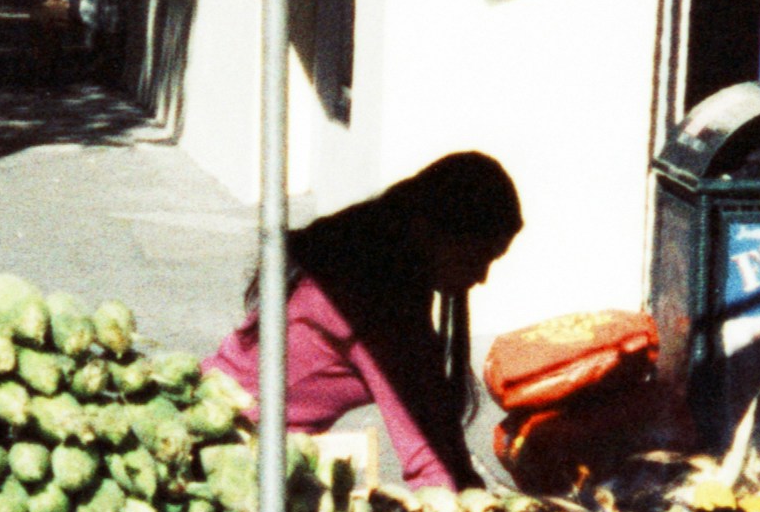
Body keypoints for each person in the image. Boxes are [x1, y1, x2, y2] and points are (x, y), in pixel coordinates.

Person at [204, 152, 523, 491]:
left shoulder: (377, 266)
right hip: (225, 454)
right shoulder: (375, 296)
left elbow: (435, 418)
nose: (483, 276)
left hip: (242, 434)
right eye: (477, 256)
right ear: (430, 230)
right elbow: (428, 456)